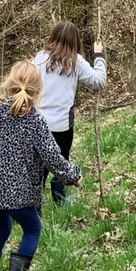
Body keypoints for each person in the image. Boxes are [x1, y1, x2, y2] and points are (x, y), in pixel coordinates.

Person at [0, 60, 83, 271]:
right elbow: (53, 158)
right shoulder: (36, 122)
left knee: (2, 227)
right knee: (33, 228)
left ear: (9, 85)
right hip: (21, 194)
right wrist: (74, 176)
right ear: (38, 92)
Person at [33, 22, 106, 204]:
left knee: (37, 166)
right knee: (61, 161)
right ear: (75, 40)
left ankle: (33, 202)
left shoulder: (39, 59)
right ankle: (59, 199)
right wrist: (99, 55)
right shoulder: (76, 61)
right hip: (61, 125)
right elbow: (99, 81)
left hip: (38, 123)